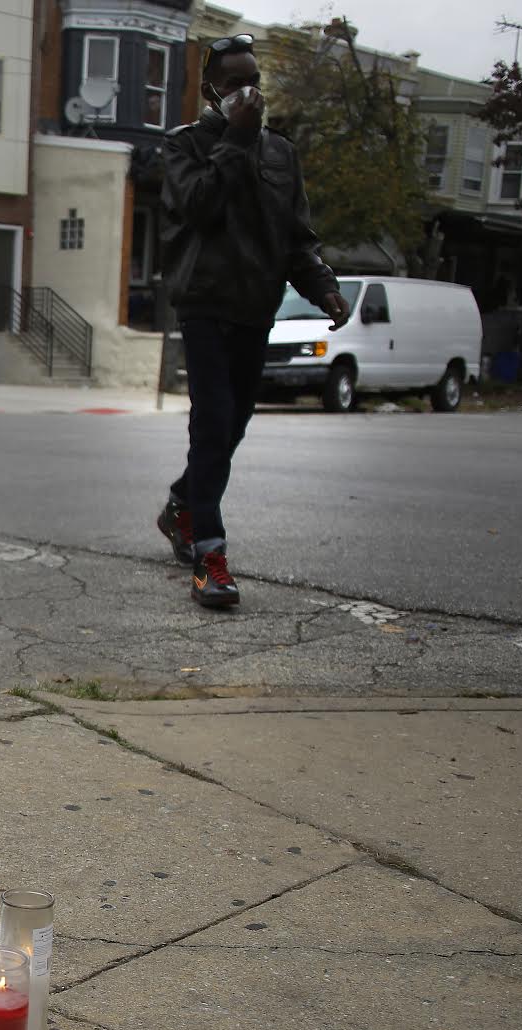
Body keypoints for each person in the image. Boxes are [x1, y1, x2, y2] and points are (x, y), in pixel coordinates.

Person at [157, 34, 349, 608]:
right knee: (212, 423)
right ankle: (208, 555)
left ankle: (180, 507)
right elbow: (199, 206)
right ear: (212, 90)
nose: (248, 92)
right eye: (235, 82)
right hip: (205, 302)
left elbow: (295, 238)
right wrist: (237, 138)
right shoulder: (186, 146)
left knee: (234, 426)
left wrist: (324, 288)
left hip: (254, 307)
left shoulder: (282, 154)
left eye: (254, 81)